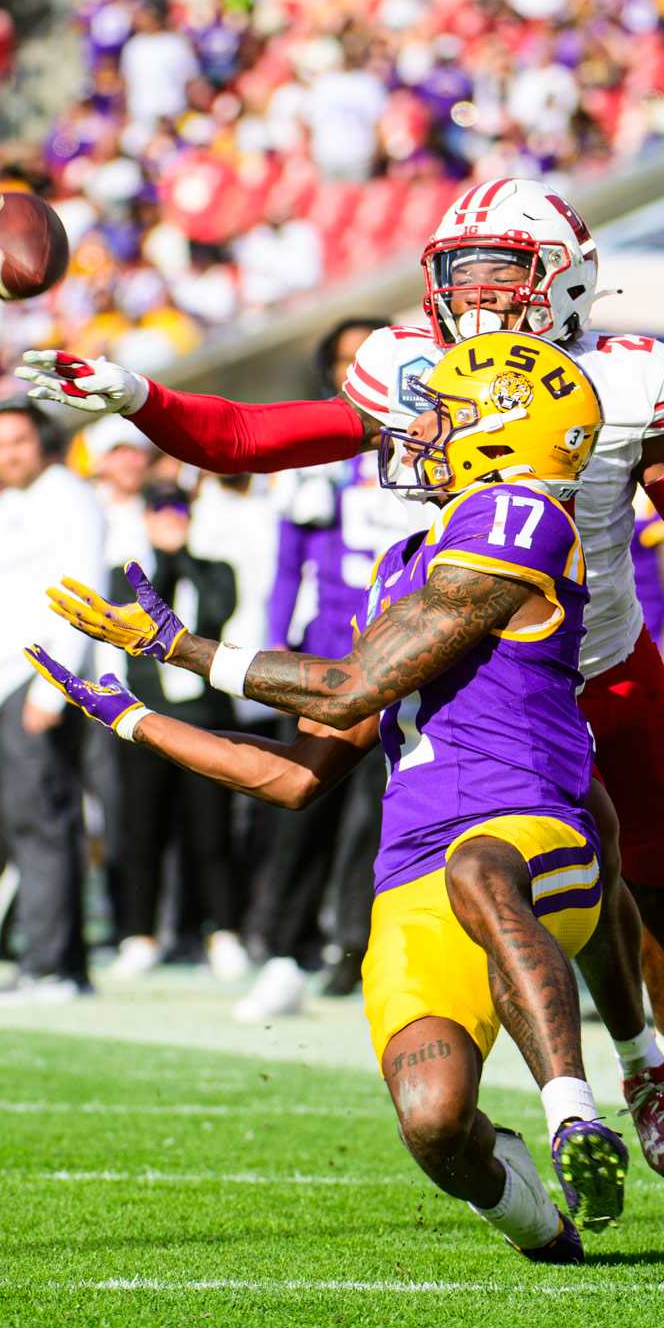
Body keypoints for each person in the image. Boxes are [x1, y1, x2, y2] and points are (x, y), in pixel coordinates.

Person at [16, 177, 664, 1215]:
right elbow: (248, 437)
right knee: (531, 873)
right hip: (460, 646)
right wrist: (142, 399)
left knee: (659, 880)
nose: (483, 299)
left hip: (596, 656)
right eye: (464, 276)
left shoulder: (629, 377)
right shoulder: (408, 366)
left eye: (507, 274)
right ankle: (576, 1092)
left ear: (566, 280)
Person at [29, 333, 639, 1263]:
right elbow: (295, 772)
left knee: (481, 866)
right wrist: (128, 717)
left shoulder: (520, 516)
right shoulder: (409, 561)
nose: (417, 431)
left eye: (442, 414)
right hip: (411, 872)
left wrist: (186, 649)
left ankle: (574, 1115)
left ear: (502, 433)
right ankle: (543, 1223)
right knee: (434, 1123)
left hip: (530, 834)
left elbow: (349, 687)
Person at [241, 318, 421, 1020]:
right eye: (346, 359)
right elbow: (288, 565)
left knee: (374, 815)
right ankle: (282, 945)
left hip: (406, 656)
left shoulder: (433, 447)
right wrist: (270, 650)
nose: (357, 372)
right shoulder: (321, 460)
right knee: (304, 796)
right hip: (326, 657)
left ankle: (353, 946)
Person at [0, 397, 105, 1004]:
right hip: (2, 682)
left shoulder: (65, 497)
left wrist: (54, 685)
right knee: (35, 822)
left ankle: (51, 967)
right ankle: (55, 960)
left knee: (40, 822)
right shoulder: (9, 505)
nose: (5, 455)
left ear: (43, 441)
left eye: (17, 441)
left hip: (38, 678)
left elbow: (84, 589)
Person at [101, 481, 249, 982]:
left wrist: (179, 556)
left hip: (205, 719)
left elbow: (212, 614)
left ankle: (222, 931)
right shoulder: (124, 576)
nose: (170, 519)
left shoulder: (215, 570)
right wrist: (158, 560)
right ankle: (138, 934)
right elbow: (132, 621)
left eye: (177, 510)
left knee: (210, 832)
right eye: (159, 510)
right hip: (146, 718)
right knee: (141, 831)